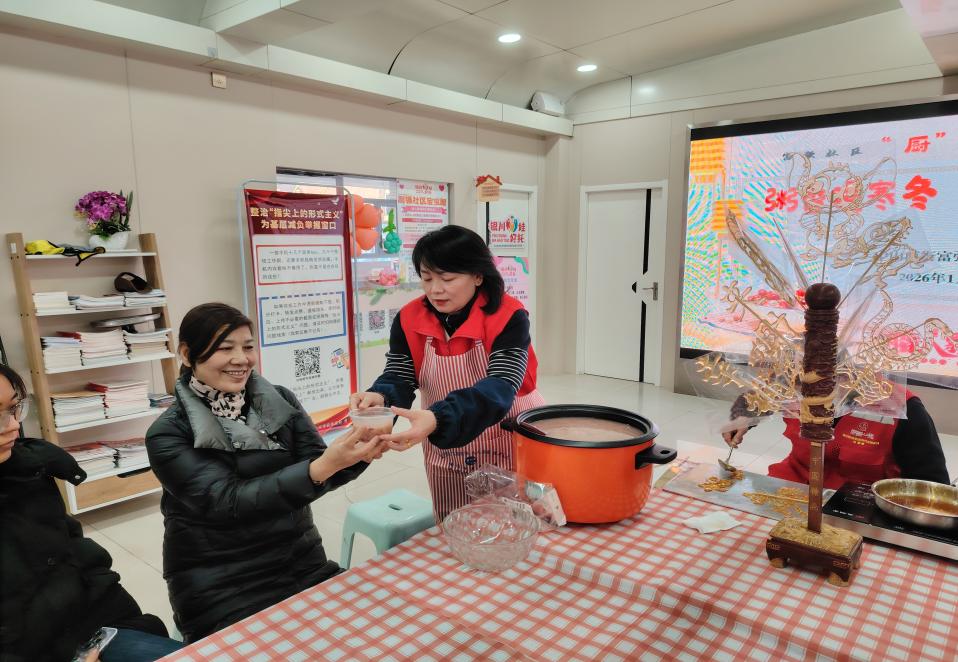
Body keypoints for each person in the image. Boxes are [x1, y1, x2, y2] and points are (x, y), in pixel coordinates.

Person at [146, 303, 384, 643]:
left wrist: (362, 449)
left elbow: (319, 468)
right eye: (225, 348)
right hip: (219, 582)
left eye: (247, 346)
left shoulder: (278, 399)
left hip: (301, 560)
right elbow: (227, 502)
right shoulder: (168, 433)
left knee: (370, 632)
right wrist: (323, 466)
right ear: (187, 354)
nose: (241, 359)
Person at [350, 225, 545, 519]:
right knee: (453, 524)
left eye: (447, 278)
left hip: (505, 435)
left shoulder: (508, 316)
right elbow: (400, 374)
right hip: (446, 445)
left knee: (514, 524)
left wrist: (439, 417)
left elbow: (501, 384)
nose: (435, 289)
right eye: (427, 278)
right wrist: (380, 397)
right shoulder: (409, 318)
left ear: (478, 276)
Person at [0, 363, 183, 662]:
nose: (12, 425)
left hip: (93, 628)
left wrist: (121, 619)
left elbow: (76, 552)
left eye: (13, 408)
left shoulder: (27, 470)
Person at [723, 388, 950, 488]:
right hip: (792, 485)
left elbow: (931, 486)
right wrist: (743, 415)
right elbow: (760, 397)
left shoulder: (902, 408)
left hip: (861, 503)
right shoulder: (793, 384)